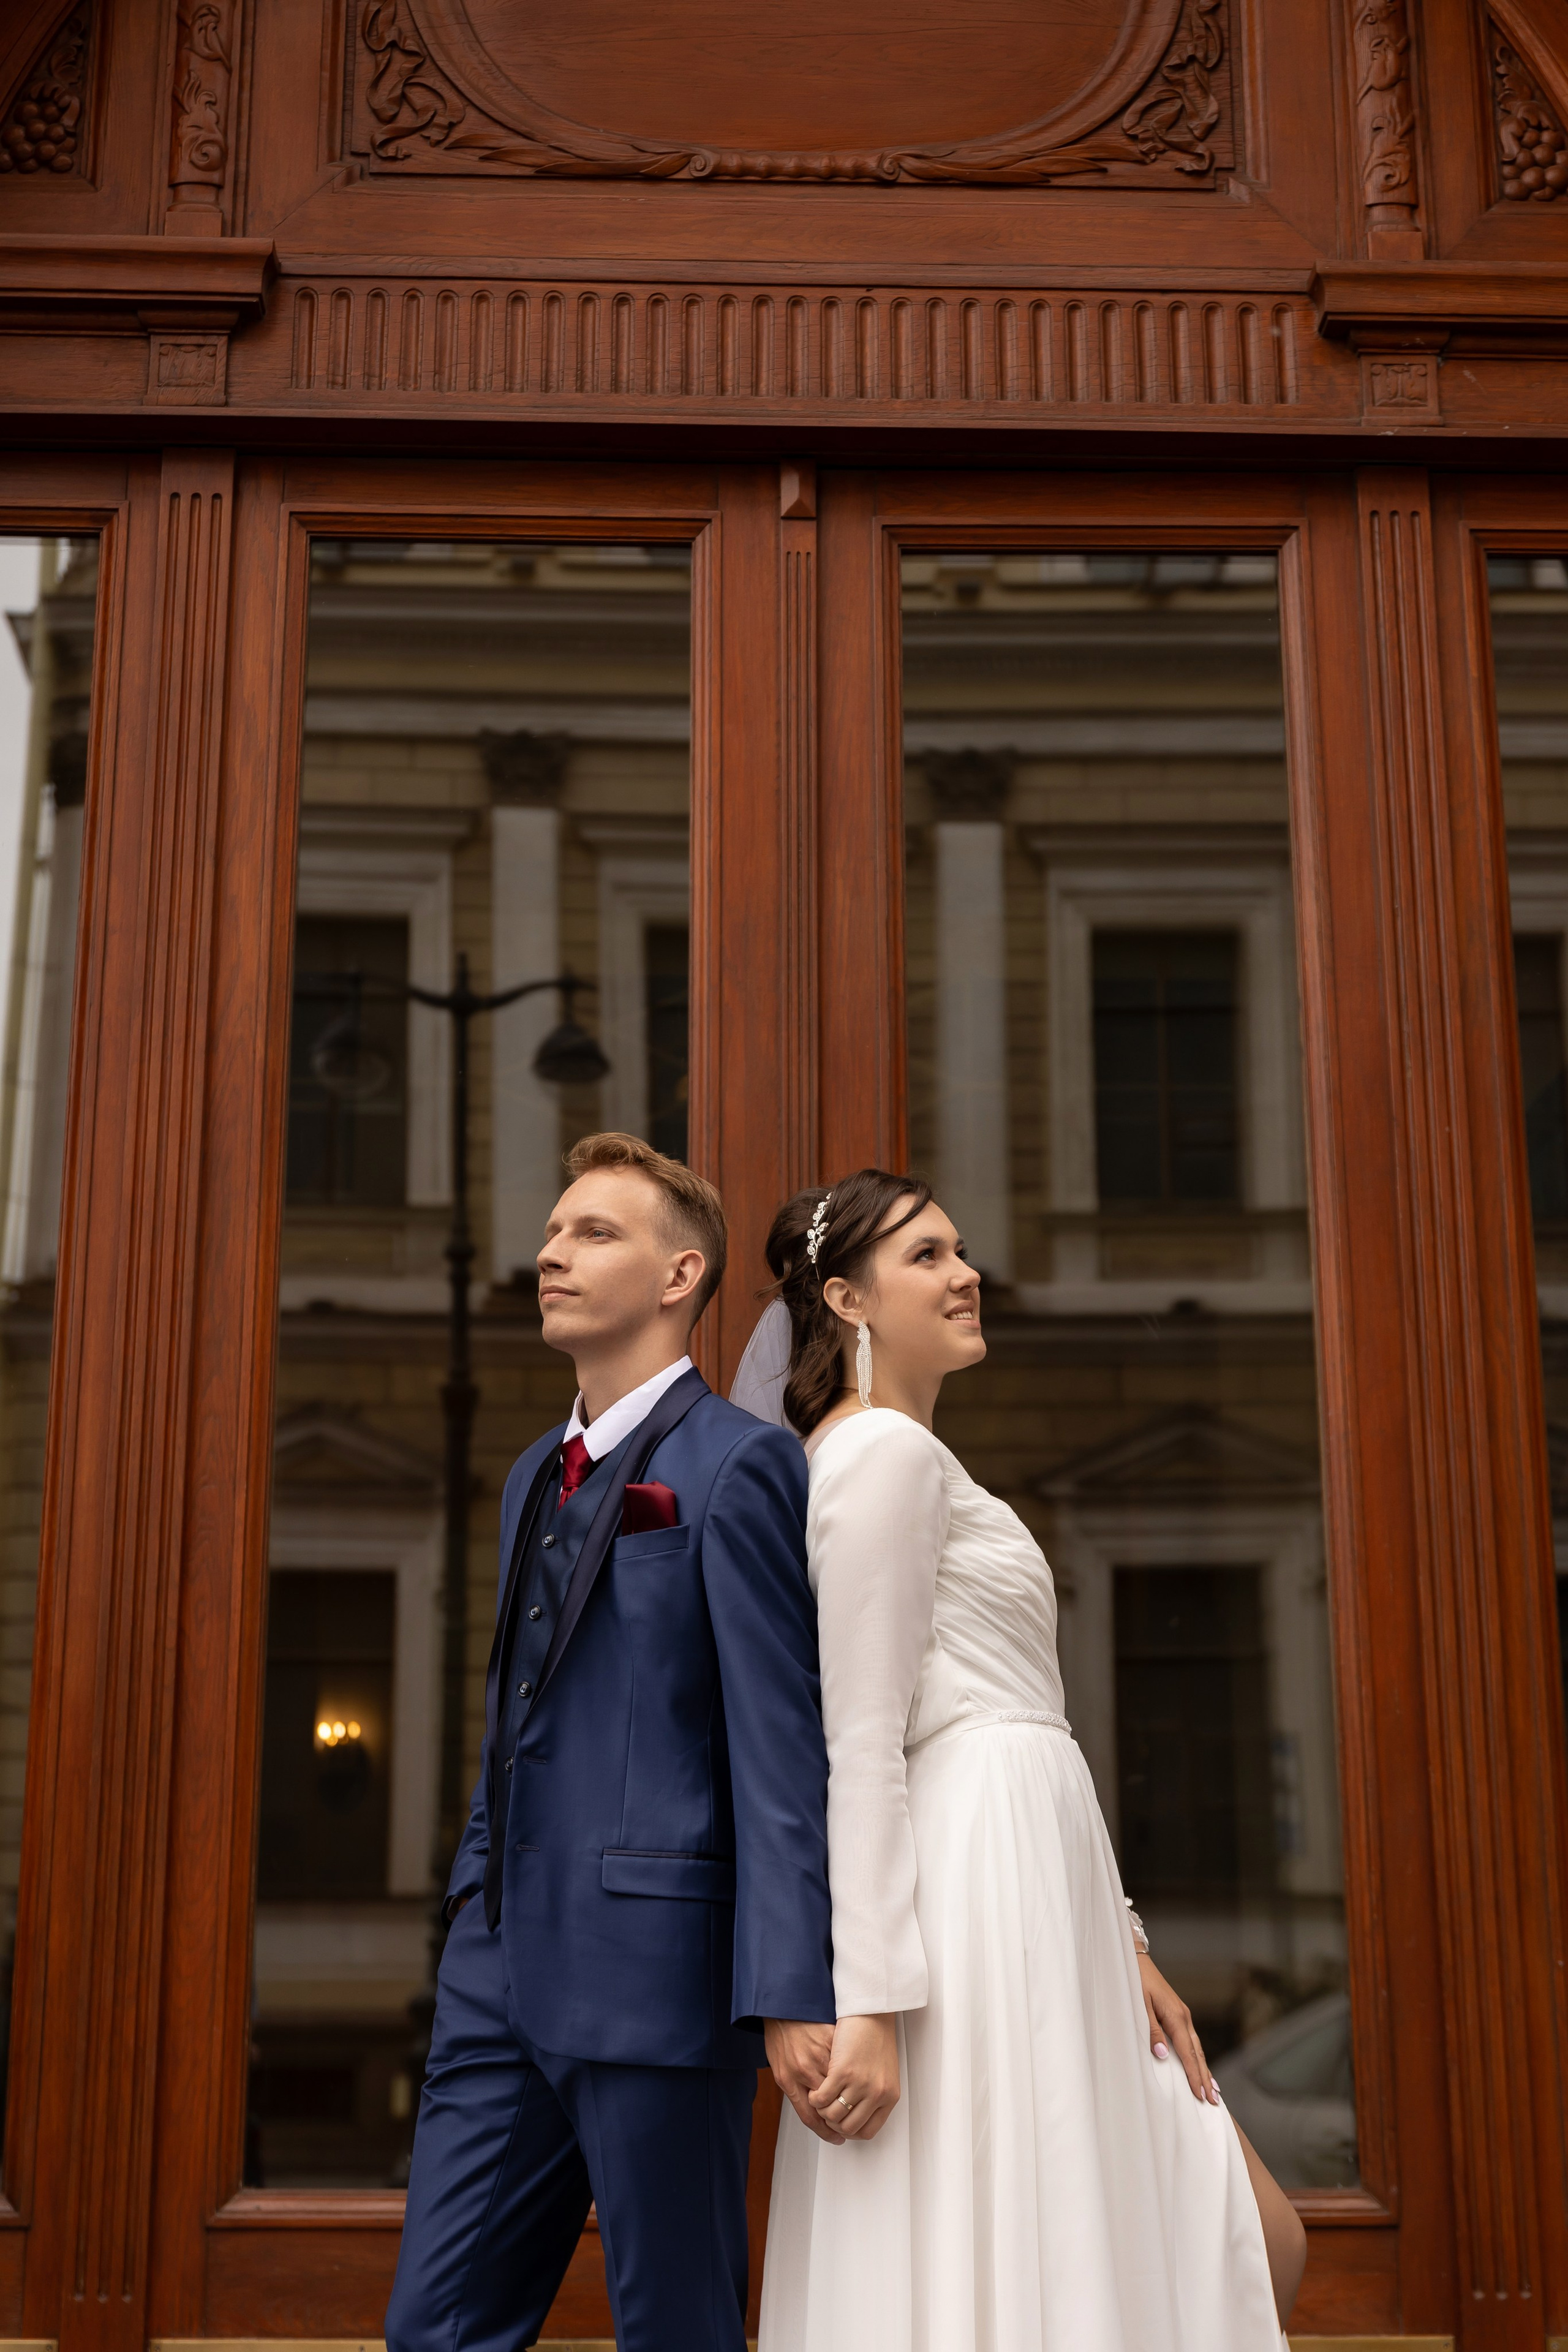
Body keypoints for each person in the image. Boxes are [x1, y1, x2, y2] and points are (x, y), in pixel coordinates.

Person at [755, 1169, 1309, 2352]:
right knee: (1155, 2236)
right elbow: (861, 1741)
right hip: (972, 1894)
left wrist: (1126, 1941)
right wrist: (871, 2002)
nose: (966, 1275)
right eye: (928, 1258)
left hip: (1045, 1881)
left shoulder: (915, 1456)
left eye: (961, 1251)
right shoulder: (878, 1458)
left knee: (1226, 2234)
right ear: (846, 1299)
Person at [385, 1132, 837, 2352]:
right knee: (434, 2327)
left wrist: (789, 1990)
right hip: (496, 1979)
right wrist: (474, 1899)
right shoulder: (534, 1470)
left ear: (680, 1275)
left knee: (676, 2331)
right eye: (550, 1232)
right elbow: (518, 1715)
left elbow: (776, 1747)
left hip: (657, 1975)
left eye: (593, 1233)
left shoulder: (738, 1467)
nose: (550, 1253)